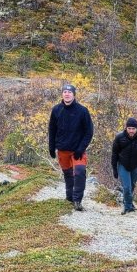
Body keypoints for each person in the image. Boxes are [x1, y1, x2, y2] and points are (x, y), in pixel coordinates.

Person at [48, 83, 94, 212]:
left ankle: (78, 201)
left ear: (74, 94)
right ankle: (69, 198)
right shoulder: (56, 110)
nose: (67, 94)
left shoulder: (82, 111)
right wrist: (51, 147)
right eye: (64, 92)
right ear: (62, 94)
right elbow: (52, 129)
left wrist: (81, 148)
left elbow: (89, 132)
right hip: (62, 149)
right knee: (68, 174)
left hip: (78, 151)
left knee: (79, 173)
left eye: (69, 92)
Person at [111, 117, 137, 215]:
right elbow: (114, 154)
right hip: (123, 165)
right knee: (127, 187)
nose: (131, 131)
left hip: (135, 165)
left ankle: (129, 203)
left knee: (132, 186)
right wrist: (114, 169)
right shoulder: (119, 137)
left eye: (133, 128)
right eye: (129, 128)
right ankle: (128, 207)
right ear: (126, 128)